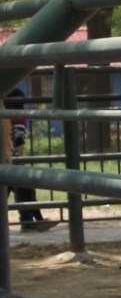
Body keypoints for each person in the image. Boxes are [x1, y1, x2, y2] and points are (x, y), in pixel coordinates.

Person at [5, 87, 57, 232]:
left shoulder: (5, 117)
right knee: (25, 190)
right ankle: (30, 220)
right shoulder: (18, 119)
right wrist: (20, 159)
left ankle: (34, 220)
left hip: (6, 160)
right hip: (12, 160)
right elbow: (19, 141)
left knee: (24, 190)